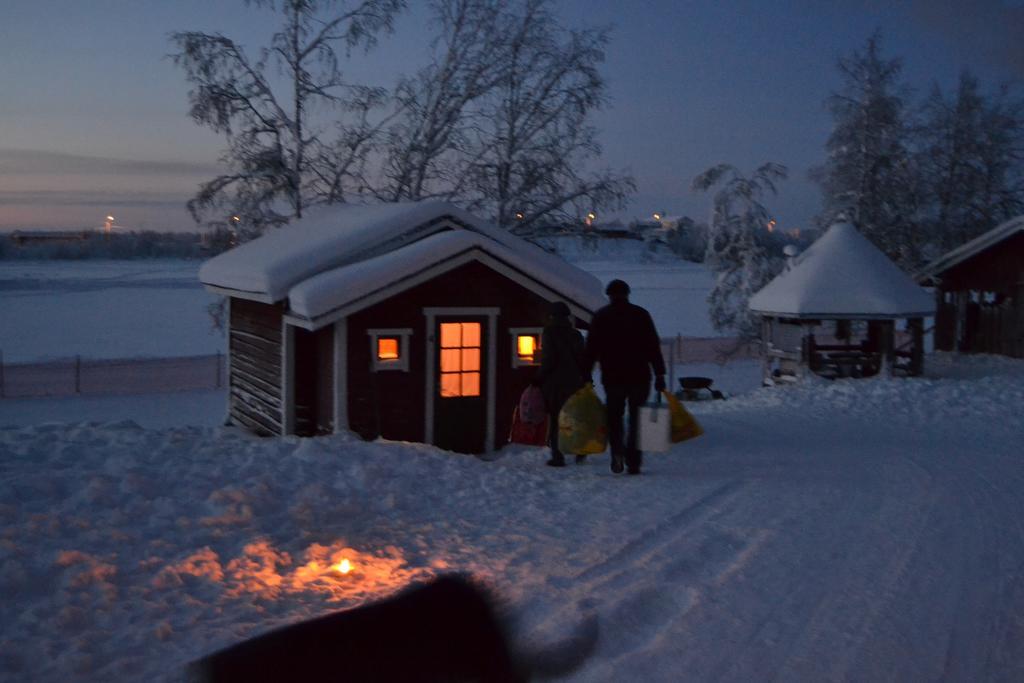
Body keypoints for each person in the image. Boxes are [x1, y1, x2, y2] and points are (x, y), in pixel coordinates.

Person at [585, 279, 666, 475]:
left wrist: (586, 374)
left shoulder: (601, 317)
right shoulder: (640, 315)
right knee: (637, 418)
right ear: (627, 294)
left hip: (612, 377)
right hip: (639, 376)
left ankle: (617, 453)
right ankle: (634, 461)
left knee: (614, 418)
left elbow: (591, 349)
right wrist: (660, 373)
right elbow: (652, 346)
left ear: (609, 295)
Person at [532, 301, 587, 467]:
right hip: (574, 383)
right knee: (574, 417)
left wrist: (538, 378)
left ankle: (558, 456)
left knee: (556, 420)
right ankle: (580, 451)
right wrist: (586, 379)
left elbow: (549, 359)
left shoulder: (549, 333)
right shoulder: (576, 334)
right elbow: (582, 360)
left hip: (554, 384)